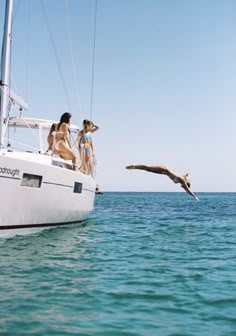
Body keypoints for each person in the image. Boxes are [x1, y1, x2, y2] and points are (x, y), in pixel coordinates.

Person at [126, 164, 200, 201]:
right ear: (186, 184)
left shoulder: (181, 179)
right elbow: (188, 190)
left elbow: (186, 188)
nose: (183, 188)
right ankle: (134, 165)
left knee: (148, 169)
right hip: (165, 169)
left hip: (164, 172)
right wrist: (195, 196)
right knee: (148, 168)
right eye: (184, 186)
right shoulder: (182, 180)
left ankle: (134, 167)